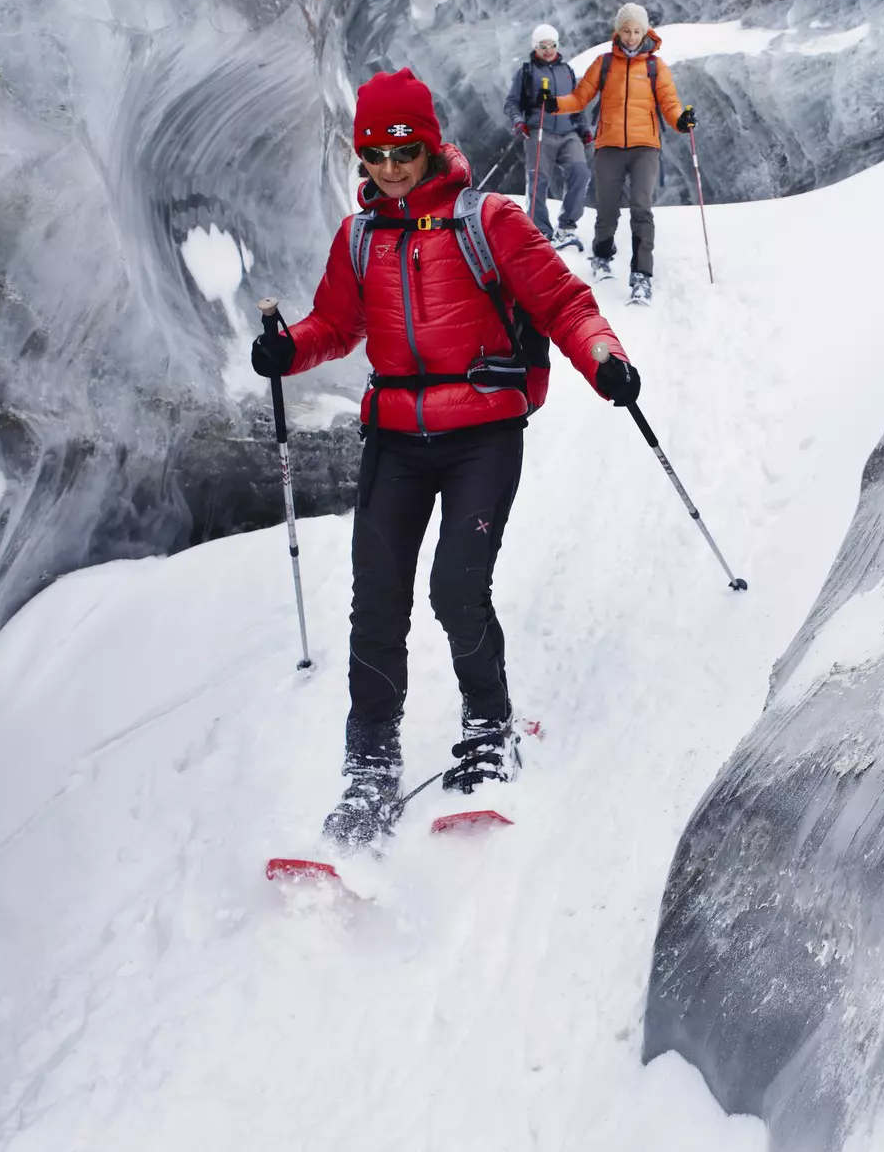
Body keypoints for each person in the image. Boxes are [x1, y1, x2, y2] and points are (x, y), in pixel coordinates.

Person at [250, 68, 644, 846]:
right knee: (378, 598)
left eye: (405, 149)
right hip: (396, 436)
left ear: (430, 145)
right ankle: (370, 760)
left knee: (457, 586)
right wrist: (287, 348)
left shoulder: (487, 221)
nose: (390, 167)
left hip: (483, 433)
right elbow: (335, 323)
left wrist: (603, 356)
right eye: (374, 152)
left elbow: (563, 301)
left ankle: (490, 725)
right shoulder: (360, 236)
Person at [547, 2, 697, 306]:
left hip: (645, 147)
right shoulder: (604, 64)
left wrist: (682, 120)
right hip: (609, 146)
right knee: (607, 209)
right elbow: (580, 97)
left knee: (642, 208)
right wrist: (556, 104)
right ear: (618, 30)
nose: (631, 36)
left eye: (637, 30)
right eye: (626, 30)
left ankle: (641, 275)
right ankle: (601, 256)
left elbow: (670, 104)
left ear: (646, 31)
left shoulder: (656, 67)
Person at [503, 23, 593, 248]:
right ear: (535, 47)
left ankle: (567, 226)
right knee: (538, 180)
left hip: (568, 132)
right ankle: (540, 231)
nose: (548, 50)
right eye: (543, 46)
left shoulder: (567, 71)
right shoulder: (526, 72)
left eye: (552, 45)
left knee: (580, 172)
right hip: (539, 131)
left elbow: (577, 104)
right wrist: (519, 122)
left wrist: (583, 129)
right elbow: (512, 103)